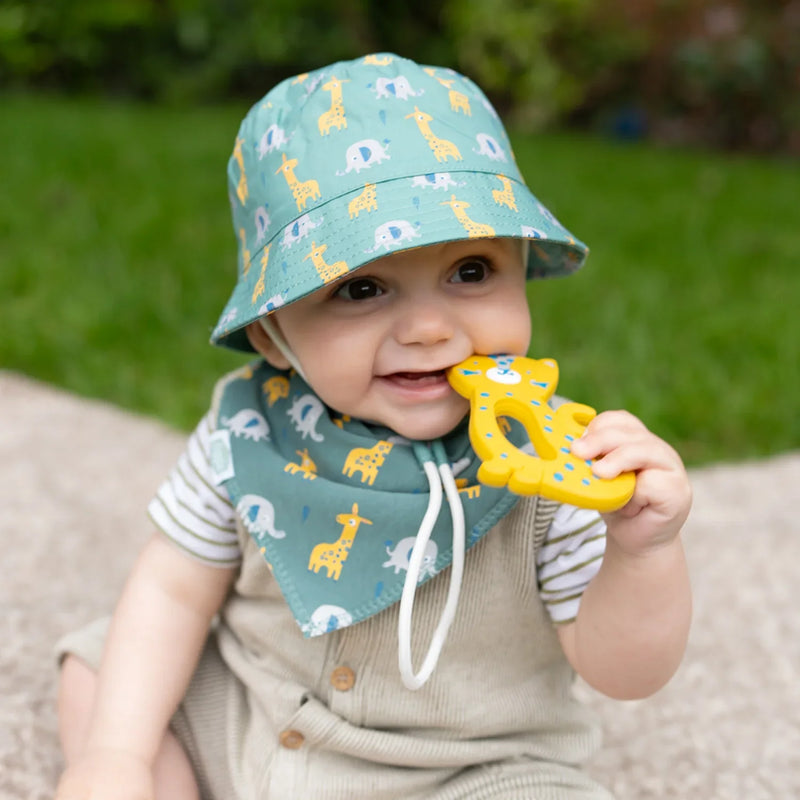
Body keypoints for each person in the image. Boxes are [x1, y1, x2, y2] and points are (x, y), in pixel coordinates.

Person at [54, 53, 692, 800]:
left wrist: (644, 553)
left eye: (472, 271)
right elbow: (171, 592)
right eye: (362, 287)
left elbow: (622, 672)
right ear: (272, 335)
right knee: (98, 675)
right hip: (254, 721)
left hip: (467, 770)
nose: (427, 328)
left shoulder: (559, 467)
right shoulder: (249, 433)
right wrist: (117, 757)